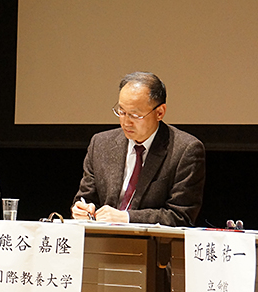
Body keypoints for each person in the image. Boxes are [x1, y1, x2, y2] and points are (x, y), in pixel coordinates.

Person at [71, 72, 205, 226]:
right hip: (101, 241)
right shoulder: (101, 144)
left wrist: (125, 218)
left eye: (135, 115)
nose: (126, 122)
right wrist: (82, 209)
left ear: (160, 112)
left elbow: (181, 216)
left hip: (153, 245)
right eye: (121, 112)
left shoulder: (185, 150)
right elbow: (85, 198)